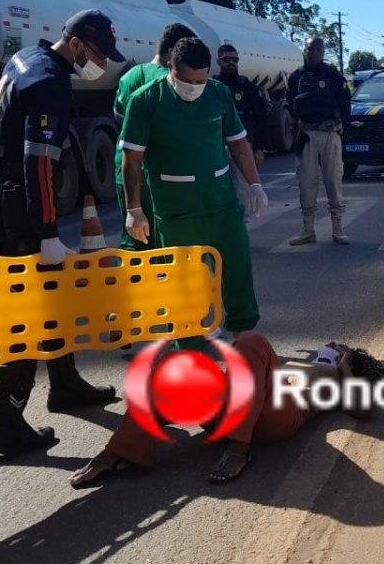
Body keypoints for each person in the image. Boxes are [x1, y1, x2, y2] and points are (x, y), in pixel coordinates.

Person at [0, 9, 125, 459]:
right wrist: (46, 231)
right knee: (29, 307)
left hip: (6, 191)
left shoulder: (26, 59)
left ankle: (65, 385)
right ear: (77, 43)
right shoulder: (51, 83)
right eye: (97, 53)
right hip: (18, 202)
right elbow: (38, 162)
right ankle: (5, 422)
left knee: (53, 296)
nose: (100, 63)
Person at [69, 333, 384, 486]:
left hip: (277, 413)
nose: (336, 350)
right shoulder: (319, 360)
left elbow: (364, 409)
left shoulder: (338, 380)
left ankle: (239, 448)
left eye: (343, 352)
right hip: (236, 403)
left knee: (252, 342)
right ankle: (121, 451)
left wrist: (346, 369)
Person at [120, 38, 268, 337]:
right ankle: (192, 343)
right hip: (175, 209)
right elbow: (131, 160)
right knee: (184, 282)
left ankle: (245, 336)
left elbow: (238, 144)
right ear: (170, 68)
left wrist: (255, 185)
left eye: (201, 80)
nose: (194, 87)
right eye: (187, 80)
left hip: (221, 203)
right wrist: (134, 210)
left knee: (237, 270)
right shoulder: (145, 100)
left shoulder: (218, 93)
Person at [112, 22, 198, 250]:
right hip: (163, 173)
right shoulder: (172, 83)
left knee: (136, 239)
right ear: (173, 52)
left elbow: (120, 120)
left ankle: (137, 284)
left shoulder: (129, 77)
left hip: (128, 169)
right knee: (169, 243)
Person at [285, 36, 352, 245]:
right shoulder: (296, 77)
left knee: (333, 181)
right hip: (306, 135)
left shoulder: (332, 74)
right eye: (310, 49)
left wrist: (344, 126)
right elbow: (290, 104)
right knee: (306, 182)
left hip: (330, 133)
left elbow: (345, 102)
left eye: (319, 49)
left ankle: (338, 229)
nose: (314, 53)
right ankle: (308, 230)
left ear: (323, 52)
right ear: (304, 51)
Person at [215, 43, 270, 221]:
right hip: (216, 148)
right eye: (226, 60)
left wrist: (259, 148)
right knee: (218, 194)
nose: (231, 63)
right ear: (218, 61)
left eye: (235, 60)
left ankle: (241, 236)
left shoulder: (246, 86)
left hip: (241, 147)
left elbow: (261, 117)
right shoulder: (212, 86)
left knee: (243, 195)